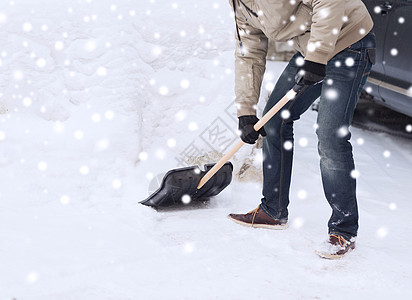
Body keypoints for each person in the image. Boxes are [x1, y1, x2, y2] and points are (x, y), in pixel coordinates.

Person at [227, 0, 376, 259]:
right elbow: (249, 53)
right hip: (312, 50)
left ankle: (344, 229)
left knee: (330, 135)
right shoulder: (240, 6)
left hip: (350, 42)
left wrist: (316, 57)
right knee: (274, 121)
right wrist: (246, 111)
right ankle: (273, 210)